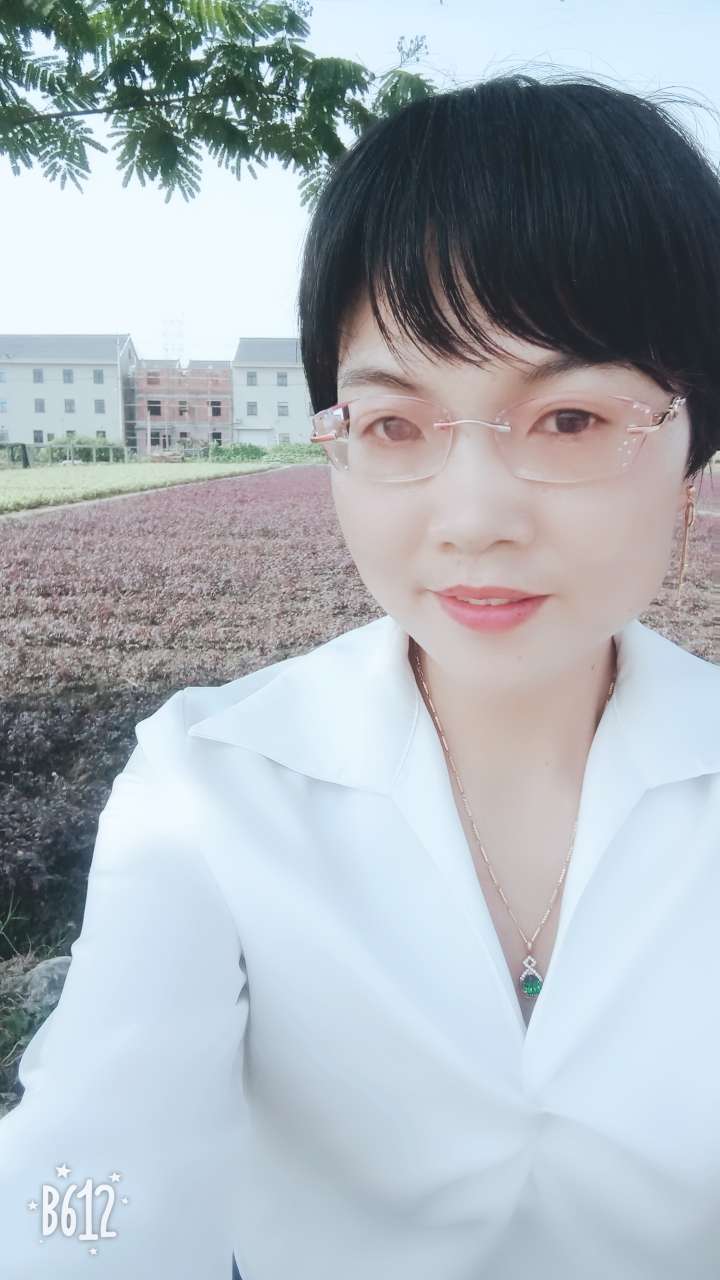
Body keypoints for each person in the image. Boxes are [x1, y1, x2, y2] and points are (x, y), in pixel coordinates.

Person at [1, 71, 719, 1280]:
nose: (474, 517)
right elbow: (88, 1177)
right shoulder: (212, 787)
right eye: (394, 425)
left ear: (694, 449)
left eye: (572, 420)